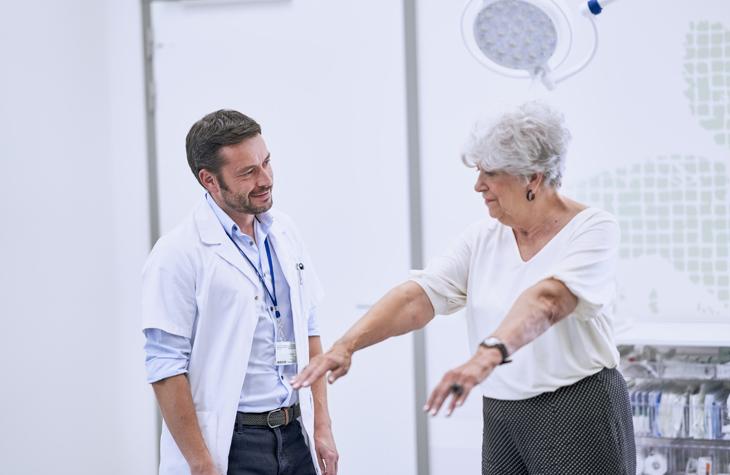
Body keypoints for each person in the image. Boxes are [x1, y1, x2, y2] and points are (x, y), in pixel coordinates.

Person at [292, 102, 635, 474]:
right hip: (503, 411)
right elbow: (418, 296)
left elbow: (548, 299)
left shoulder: (592, 229)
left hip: (577, 409)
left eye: (490, 173)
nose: (478, 185)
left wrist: (483, 358)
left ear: (532, 177)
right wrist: (346, 345)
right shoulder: (483, 239)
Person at [142, 110, 338, 475]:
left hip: (295, 433)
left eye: (266, 163)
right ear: (210, 180)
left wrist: (321, 424)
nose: (265, 179)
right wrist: (202, 464)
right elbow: (165, 366)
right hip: (233, 445)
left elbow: (309, 329)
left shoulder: (285, 231)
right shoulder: (177, 254)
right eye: (247, 172)